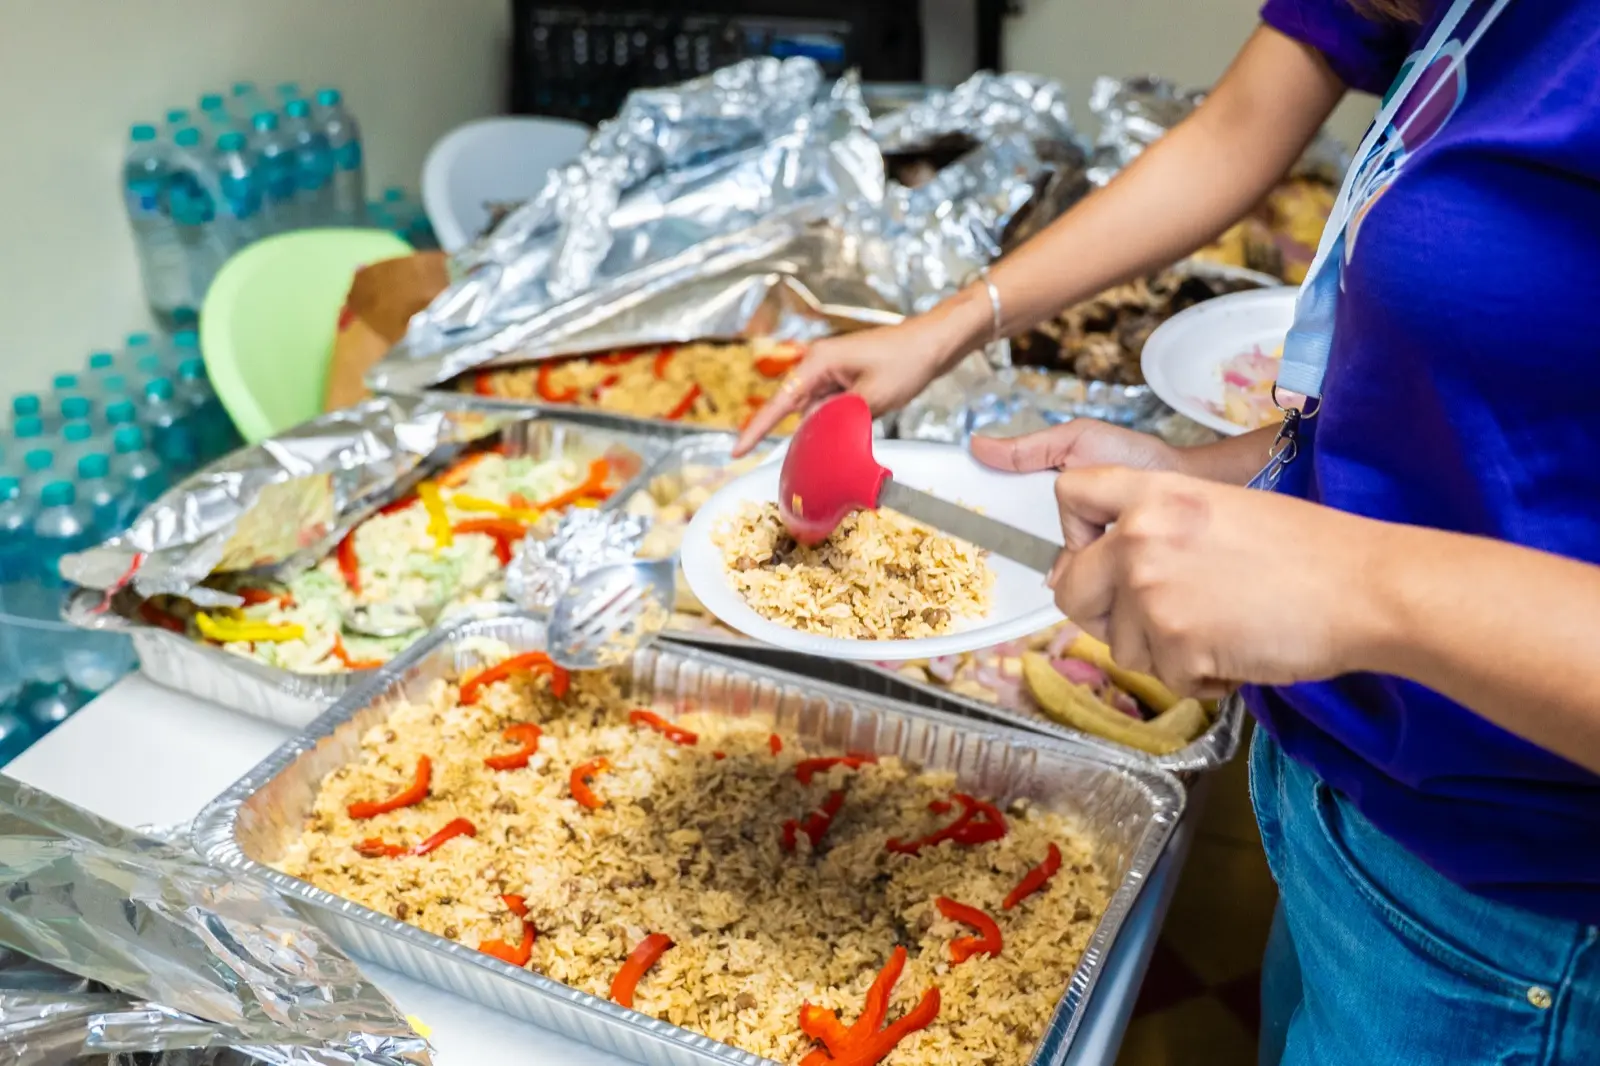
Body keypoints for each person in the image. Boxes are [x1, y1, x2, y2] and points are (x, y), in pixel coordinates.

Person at [737, 2, 1600, 1063]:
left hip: (1515, 917)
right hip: (1357, 811)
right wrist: (1227, 475)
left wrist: (1353, 581)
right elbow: (1487, 418)